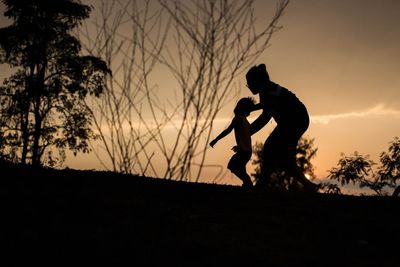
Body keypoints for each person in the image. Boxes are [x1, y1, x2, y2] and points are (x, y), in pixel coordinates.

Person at [245, 63, 317, 192]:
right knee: (284, 157)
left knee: (270, 148)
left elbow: (265, 117)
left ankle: (262, 184)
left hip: (296, 120)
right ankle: (309, 186)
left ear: (257, 82)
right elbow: (266, 106)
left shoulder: (269, 91)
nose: (249, 87)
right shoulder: (266, 89)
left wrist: (247, 132)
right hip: (294, 120)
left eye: (249, 84)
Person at [209, 97, 256, 189]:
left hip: (244, 151)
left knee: (233, 166)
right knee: (240, 168)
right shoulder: (245, 121)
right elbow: (245, 136)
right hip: (247, 151)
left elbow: (228, 130)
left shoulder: (238, 119)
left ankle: (248, 183)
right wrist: (239, 146)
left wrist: (216, 139)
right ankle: (247, 184)